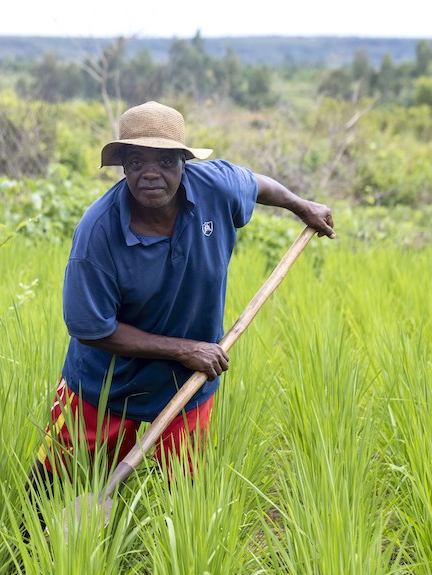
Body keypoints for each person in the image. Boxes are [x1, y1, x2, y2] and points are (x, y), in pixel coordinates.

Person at [32, 101, 335, 484]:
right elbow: (91, 328)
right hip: (105, 383)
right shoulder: (98, 233)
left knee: (180, 496)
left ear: (183, 162)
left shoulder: (216, 186)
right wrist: (186, 349)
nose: (150, 175)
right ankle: (20, 541)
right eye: (137, 162)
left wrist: (300, 205)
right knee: (53, 484)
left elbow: (257, 183)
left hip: (186, 381)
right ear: (123, 165)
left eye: (164, 161)